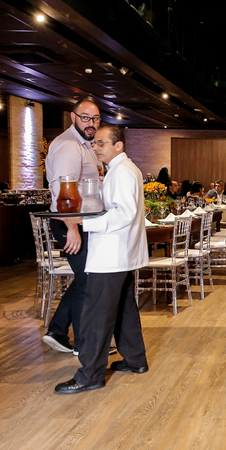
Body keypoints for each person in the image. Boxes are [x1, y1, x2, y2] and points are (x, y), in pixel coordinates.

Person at [54, 124, 149, 394]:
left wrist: (84, 222)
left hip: (111, 254)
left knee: (96, 314)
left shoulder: (121, 171)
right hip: (121, 252)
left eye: (101, 143)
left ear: (118, 145)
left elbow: (124, 213)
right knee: (124, 309)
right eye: (94, 143)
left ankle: (90, 375)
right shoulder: (124, 169)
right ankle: (135, 360)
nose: (95, 147)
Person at [41, 99, 104, 353]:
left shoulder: (84, 144)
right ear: (73, 117)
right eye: (85, 117)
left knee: (85, 278)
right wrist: (72, 228)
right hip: (71, 222)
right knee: (87, 280)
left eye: (95, 119)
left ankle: (58, 330)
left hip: (81, 221)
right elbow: (63, 192)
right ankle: (83, 345)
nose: (91, 123)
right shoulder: (68, 145)